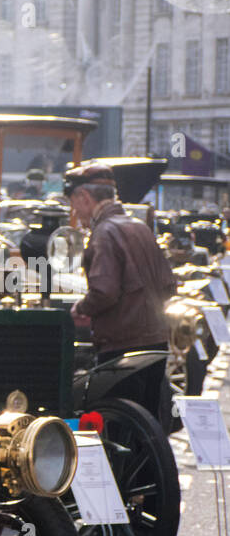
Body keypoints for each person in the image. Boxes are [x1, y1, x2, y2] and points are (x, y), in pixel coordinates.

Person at [67, 161, 176, 420]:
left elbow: (104, 291)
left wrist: (79, 309)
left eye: (73, 201)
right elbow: (170, 285)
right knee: (147, 427)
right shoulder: (139, 227)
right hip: (155, 343)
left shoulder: (104, 232)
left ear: (84, 196)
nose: (74, 210)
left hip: (123, 348)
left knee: (118, 427)